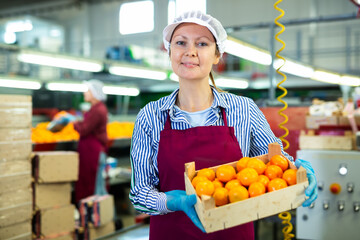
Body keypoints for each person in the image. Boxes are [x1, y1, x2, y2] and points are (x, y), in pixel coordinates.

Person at [129, 11, 317, 240]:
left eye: (202, 43)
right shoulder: (150, 116)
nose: (190, 51)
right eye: (180, 43)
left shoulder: (243, 110)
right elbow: (139, 195)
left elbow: (274, 163)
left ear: (217, 55)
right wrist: (171, 201)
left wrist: (297, 170)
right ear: (170, 52)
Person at [60, 79, 109, 204]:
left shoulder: (98, 110)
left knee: (92, 185)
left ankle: (93, 214)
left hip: (93, 152)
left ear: (94, 93)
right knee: (94, 184)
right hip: (91, 151)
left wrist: (73, 122)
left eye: (87, 90)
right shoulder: (95, 108)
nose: (84, 93)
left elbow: (84, 129)